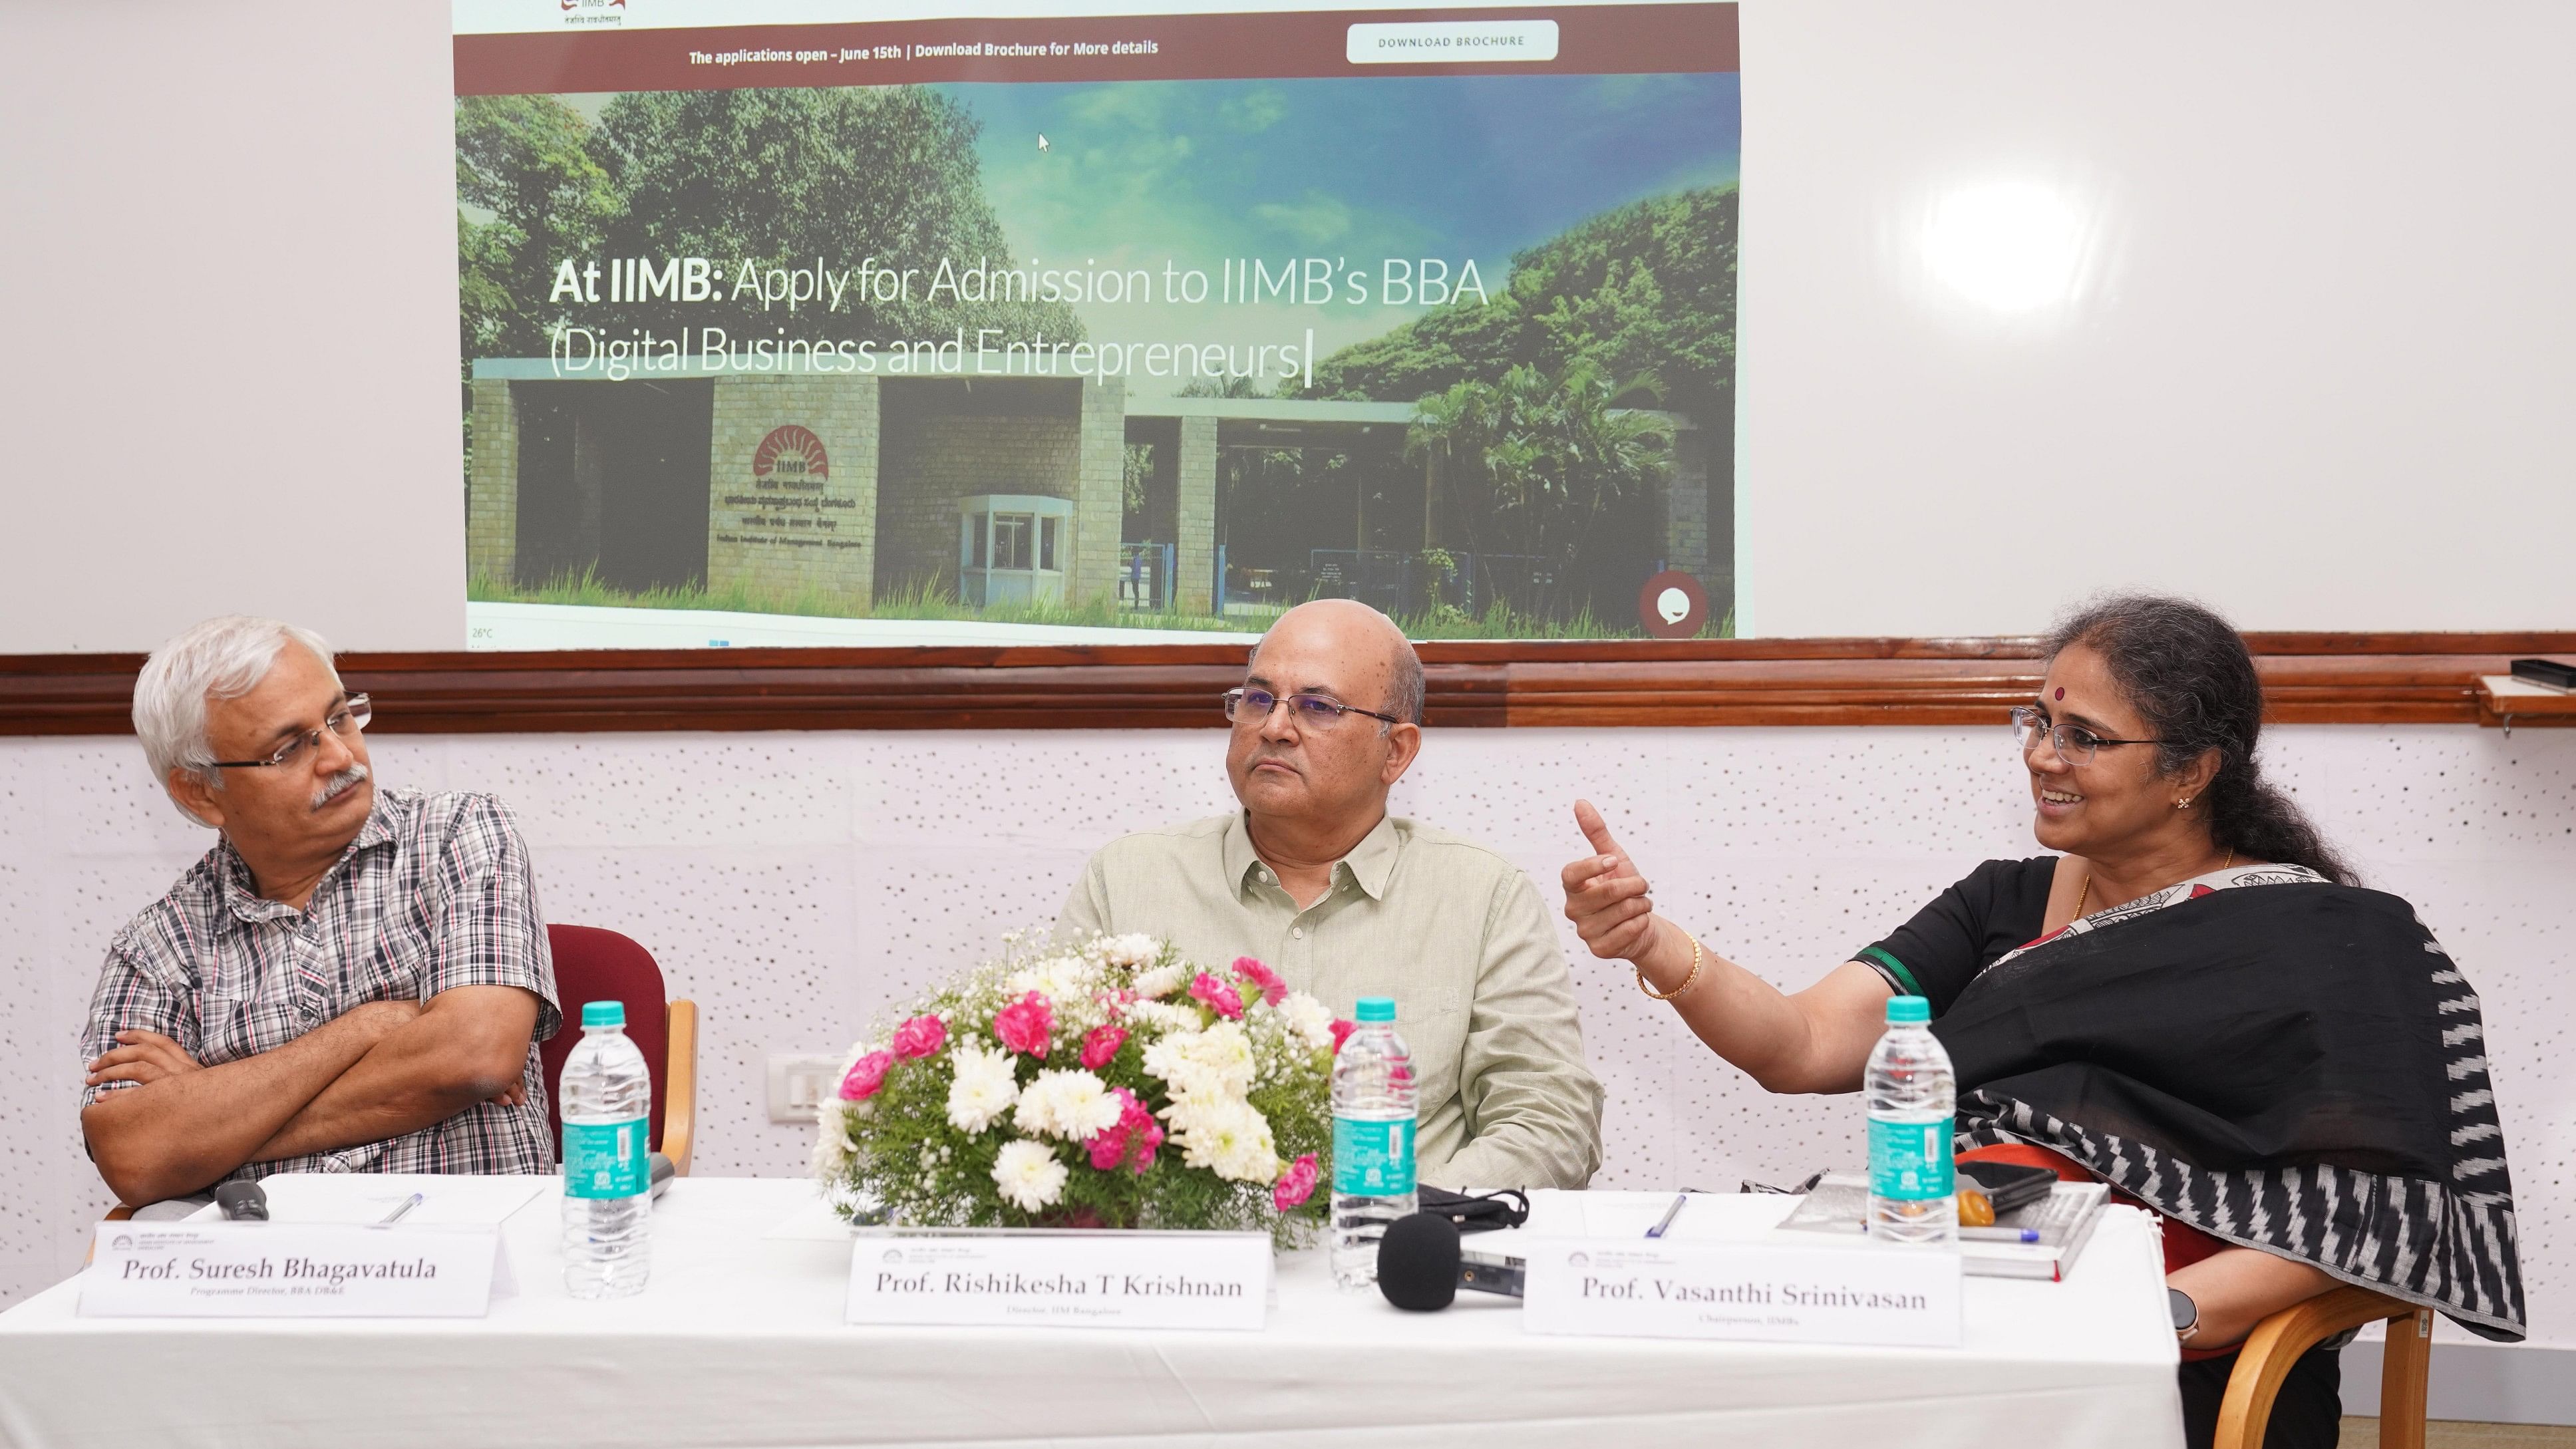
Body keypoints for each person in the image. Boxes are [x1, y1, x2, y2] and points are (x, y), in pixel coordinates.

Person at [1562, 594, 2522, 1449]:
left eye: (2084, 737)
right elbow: (1803, 1044)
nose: (2041, 754)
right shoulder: (2002, 905)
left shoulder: (2325, 943)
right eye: (2039, 719)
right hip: (1969, 1315)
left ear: (2192, 769)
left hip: (2189, 1355)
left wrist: (2143, 1314)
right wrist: (1654, 944)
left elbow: (2376, 1213)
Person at [1060, 599, 1603, 1191]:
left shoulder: (1483, 898)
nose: (1274, 727)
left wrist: (1394, 1217)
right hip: (1192, 1268)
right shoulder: (1127, 880)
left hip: (1395, 1257)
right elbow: (1050, 1092)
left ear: (1395, 751)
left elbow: (1550, 1123)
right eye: (1258, 699)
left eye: (1317, 707)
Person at [80, 616, 560, 1214]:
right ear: (199, 793)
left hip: (478, 1253)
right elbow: (133, 1155)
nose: (339, 755)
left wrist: (214, 1119)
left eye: (338, 717)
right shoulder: (157, 948)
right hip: (266, 1285)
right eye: (287, 748)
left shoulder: (459, 833)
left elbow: (476, 1056)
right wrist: (370, 1028)